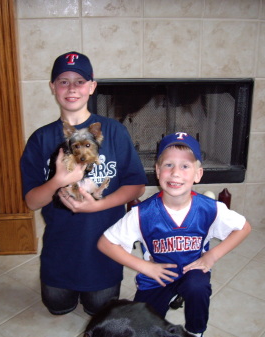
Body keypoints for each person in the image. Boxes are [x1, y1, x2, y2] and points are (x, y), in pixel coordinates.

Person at [20, 51, 147, 316]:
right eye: (63, 81)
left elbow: (137, 186)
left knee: (100, 308)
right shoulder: (40, 139)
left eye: (79, 81)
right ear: (53, 87)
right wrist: (58, 180)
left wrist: (96, 207)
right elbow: (32, 202)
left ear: (92, 86)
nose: (71, 88)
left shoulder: (114, 131)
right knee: (56, 305)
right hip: (60, 249)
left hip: (104, 247)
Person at [98, 132, 251, 336]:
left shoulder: (210, 208)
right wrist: (145, 267)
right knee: (142, 327)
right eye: (169, 165)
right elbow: (105, 243)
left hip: (192, 271)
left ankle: (195, 332)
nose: (175, 173)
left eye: (185, 166)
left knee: (198, 287)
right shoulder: (142, 214)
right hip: (157, 276)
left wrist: (212, 256)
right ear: (158, 170)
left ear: (198, 174)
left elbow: (244, 227)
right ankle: (167, 298)